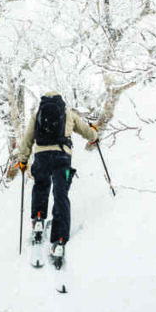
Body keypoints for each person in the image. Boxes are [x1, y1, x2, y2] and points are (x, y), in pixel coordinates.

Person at [17, 92, 98, 267]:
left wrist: (23, 160)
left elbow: (27, 140)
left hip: (41, 157)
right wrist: (94, 135)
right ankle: (59, 240)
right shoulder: (68, 113)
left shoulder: (37, 115)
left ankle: (38, 219)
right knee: (61, 195)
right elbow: (86, 131)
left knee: (41, 186)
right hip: (62, 157)